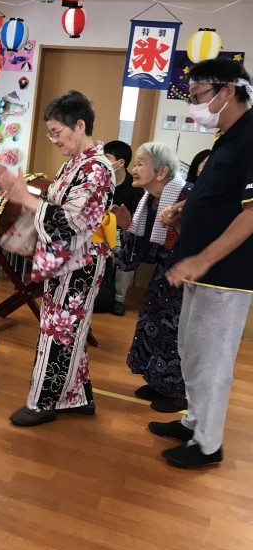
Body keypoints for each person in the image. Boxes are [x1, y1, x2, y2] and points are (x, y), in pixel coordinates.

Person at [150, 59, 253, 469]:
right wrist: (183, 212)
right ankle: (194, 423)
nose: (194, 106)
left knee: (211, 358)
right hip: (202, 268)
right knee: (190, 350)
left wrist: (204, 259)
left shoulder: (251, 135)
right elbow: (221, 198)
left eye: (198, 96)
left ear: (227, 91)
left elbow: (251, 213)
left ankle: (208, 445)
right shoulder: (228, 138)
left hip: (225, 274)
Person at [0, 90, 114, 427]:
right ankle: (77, 398)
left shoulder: (97, 169)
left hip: (80, 262)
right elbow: (52, 204)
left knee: (59, 331)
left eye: (57, 132)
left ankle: (43, 402)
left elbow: (71, 221)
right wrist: (22, 194)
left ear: (80, 125)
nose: (54, 140)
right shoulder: (75, 165)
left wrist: (26, 198)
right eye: (51, 133)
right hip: (67, 259)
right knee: (66, 329)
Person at [113, 143, 190, 413]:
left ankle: (179, 392)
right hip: (164, 275)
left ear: (162, 172)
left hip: (189, 277)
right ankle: (159, 383)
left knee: (176, 333)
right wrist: (128, 227)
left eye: (140, 163)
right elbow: (144, 253)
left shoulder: (186, 196)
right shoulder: (149, 200)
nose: (134, 169)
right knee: (152, 323)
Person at [103, 140, 144, 315]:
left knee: (129, 249)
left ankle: (119, 298)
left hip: (122, 232)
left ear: (120, 163)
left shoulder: (135, 187)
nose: (102, 162)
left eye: (107, 158)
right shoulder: (100, 182)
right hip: (99, 229)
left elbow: (136, 222)